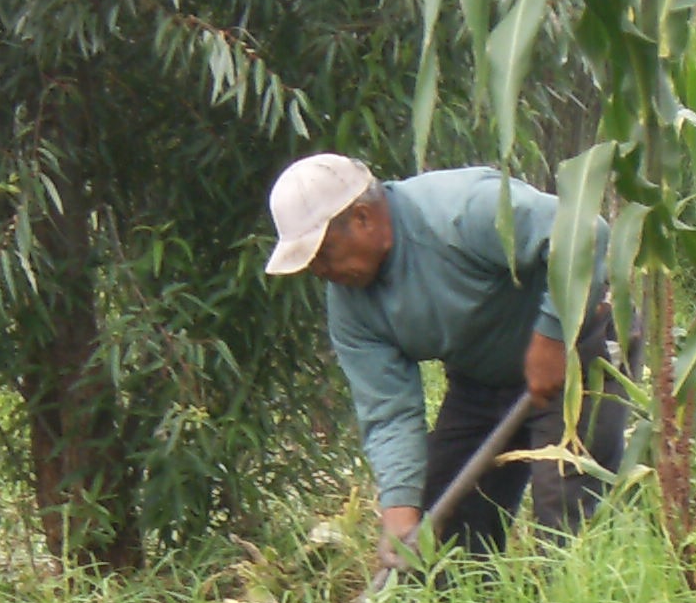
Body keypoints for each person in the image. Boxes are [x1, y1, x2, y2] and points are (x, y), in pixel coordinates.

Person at [263, 155, 625, 561]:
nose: (322, 272)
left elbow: (584, 236)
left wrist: (552, 337)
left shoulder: (461, 210)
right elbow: (389, 411)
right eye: (311, 265)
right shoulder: (351, 307)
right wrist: (400, 511)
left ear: (362, 217)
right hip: (482, 383)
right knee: (445, 527)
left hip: (579, 351)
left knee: (566, 515)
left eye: (324, 254)